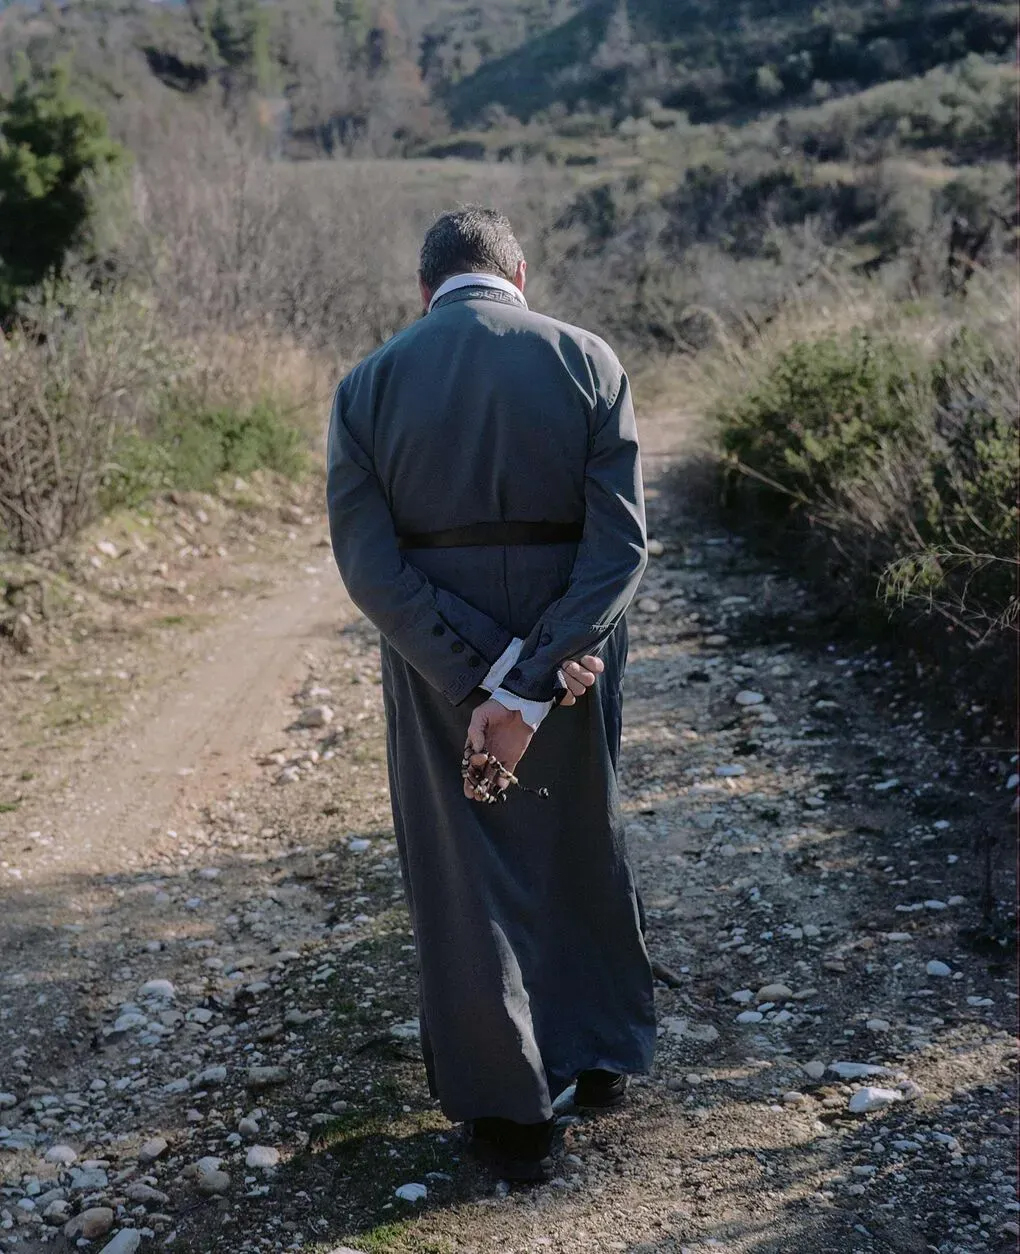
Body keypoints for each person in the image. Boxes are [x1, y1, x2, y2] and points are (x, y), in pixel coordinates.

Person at [326, 207, 655, 1181]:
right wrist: (536, 672)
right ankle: (596, 1056)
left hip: (438, 660)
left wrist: (474, 676)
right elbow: (621, 545)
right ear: (520, 273)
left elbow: (368, 564)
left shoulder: (369, 383)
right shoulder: (588, 358)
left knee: (461, 865)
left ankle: (512, 1116)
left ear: (425, 291)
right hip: (572, 652)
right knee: (579, 830)